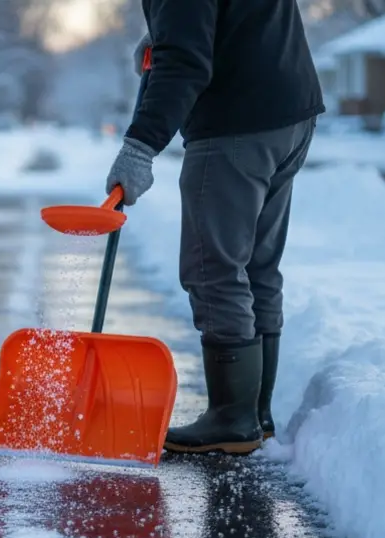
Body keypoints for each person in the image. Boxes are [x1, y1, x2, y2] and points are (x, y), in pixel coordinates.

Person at [105, 0, 324, 455]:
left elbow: (185, 63)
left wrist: (140, 147)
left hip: (235, 124)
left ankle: (231, 417)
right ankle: (254, 413)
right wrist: (171, 33)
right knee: (256, 265)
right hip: (290, 113)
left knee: (215, 268)